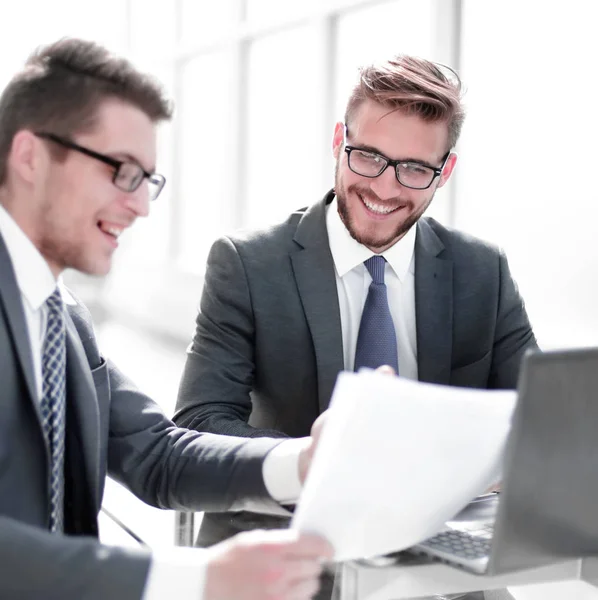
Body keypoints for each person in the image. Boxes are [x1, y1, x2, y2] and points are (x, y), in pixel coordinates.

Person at [0, 38, 334, 600]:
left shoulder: (61, 318)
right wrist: (193, 579)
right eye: (121, 171)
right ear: (31, 157)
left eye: (148, 180)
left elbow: (155, 452)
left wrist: (303, 461)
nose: (141, 206)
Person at [174, 54, 537, 556]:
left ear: (445, 170)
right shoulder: (248, 264)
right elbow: (199, 422)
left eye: (414, 169)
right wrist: (315, 461)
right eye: (367, 156)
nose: (384, 189)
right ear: (338, 141)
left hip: (435, 546)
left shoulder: (482, 271)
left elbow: (537, 423)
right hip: (285, 543)